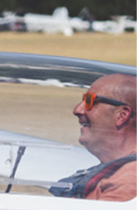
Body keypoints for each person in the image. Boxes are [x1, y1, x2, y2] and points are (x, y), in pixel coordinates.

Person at [51, 73, 136, 201]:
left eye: (90, 101)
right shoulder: (118, 171)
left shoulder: (128, 180)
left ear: (122, 115)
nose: (77, 110)